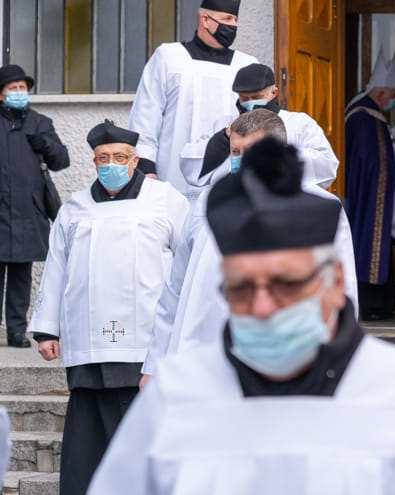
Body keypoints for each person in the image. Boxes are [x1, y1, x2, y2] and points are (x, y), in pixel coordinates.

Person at [88, 140, 395, 495]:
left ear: (334, 277)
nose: (263, 306)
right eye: (243, 287)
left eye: (287, 283)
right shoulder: (176, 396)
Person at [27, 120, 189, 495]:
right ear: (94, 162)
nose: (111, 163)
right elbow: (57, 268)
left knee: (140, 425)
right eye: (103, 158)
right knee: (88, 429)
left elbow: (187, 263)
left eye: (120, 157)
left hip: (146, 339)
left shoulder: (166, 200)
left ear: (134, 161)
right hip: (89, 341)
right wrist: (48, 329)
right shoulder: (75, 208)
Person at [141, 109, 357, 385]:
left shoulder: (320, 208)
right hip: (199, 347)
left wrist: (338, 357)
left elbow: (344, 286)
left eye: (252, 151)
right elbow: (175, 288)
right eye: (235, 152)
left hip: (284, 350)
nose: (241, 161)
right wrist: (154, 364)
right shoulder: (207, 204)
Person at [128, 0, 257, 199]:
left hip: (230, 182)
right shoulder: (169, 57)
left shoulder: (247, 65)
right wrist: (146, 167)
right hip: (172, 180)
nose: (233, 26)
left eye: (235, 20)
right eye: (226, 19)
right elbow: (145, 115)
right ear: (205, 20)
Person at [180, 63, 338, 191]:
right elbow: (190, 162)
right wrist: (224, 139)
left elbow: (327, 165)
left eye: (257, 97)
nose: (250, 103)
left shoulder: (299, 124)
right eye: (244, 98)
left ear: (274, 93)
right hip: (234, 201)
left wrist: (278, 151)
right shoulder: (225, 123)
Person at [0, 65, 69, 348]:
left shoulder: (40, 122)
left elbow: (61, 161)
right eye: (12, 88)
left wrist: (43, 142)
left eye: (22, 88)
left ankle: (16, 330)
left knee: (21, 274)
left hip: (27, 212)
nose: (19, 93)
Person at [345, 52, 395, 320]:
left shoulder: (370, 114)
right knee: (369, 242)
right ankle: (371, 305)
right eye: (391, 95)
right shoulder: (363, 117)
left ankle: (380, 304)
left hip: (373, 194)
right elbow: (372, 160)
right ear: (380, 94)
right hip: (369, 197)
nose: (393, 101)